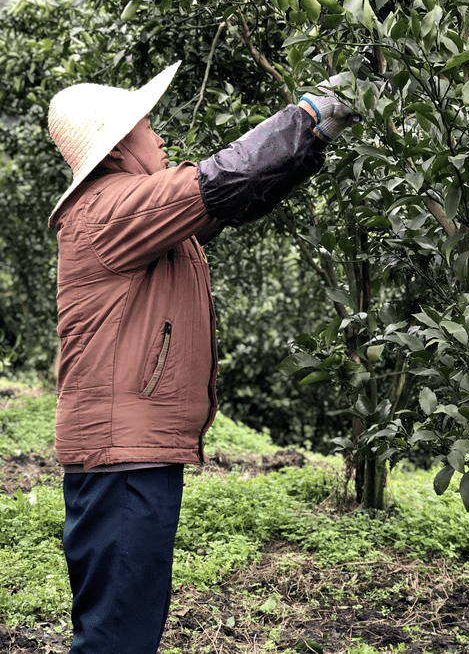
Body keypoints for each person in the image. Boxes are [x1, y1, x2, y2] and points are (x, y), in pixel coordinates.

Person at [48, 62, 368, 653]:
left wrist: (313, 138)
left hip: (130, 450)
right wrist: (316, 112)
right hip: (122, 453)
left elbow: (239, 195)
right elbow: (224, 178)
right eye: (148, 125)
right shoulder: (112, 208)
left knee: (127, 621)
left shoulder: (133, 212)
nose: (160, 136)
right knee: (116, 635)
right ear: (120, 144)